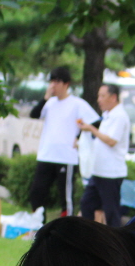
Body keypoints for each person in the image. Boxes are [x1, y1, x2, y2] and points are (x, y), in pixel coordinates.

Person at [28, 67, 98, 219]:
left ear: (66, 84)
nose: (53, 85)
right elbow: (34, 114)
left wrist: (79, 136)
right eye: (51, 81)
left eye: (57, 81)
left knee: (65, 197)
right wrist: (45, 97)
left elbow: (96, 123)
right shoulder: (49, 103)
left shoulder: (77, 104)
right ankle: (38, 224)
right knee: (37, 192)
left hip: (66, 157)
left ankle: (67, 226)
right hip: (46, 154)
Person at [77, 83, 131, 227]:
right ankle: (91, 238)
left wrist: (92, 129)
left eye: (102, 96)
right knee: (86, 204)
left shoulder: (119, 116)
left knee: (111, 212)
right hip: (99, 172)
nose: (99, 100)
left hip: (111, 173)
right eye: (98, 96)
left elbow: (111, 140)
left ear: (113, 97)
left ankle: (116, 244)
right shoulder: (107, 115)